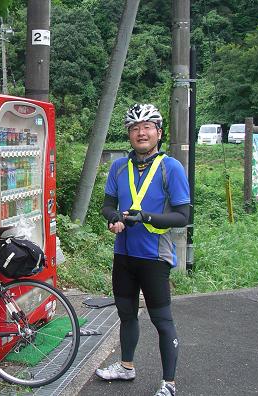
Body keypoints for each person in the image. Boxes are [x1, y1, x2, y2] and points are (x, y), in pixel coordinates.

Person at [95, 104, 190, 396]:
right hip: (124, 255)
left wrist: (145, 217)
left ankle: (169, 383)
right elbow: (107, 205)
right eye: (135, 128)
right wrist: (112, 218)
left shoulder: (170, 167)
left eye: (147, 127)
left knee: (162, 321)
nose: (141, 132)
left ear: (158, 133)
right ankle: (126, 366)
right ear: (129, 134)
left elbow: (183, 216)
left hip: (154, 257)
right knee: (126, 314)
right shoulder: (119, 166)